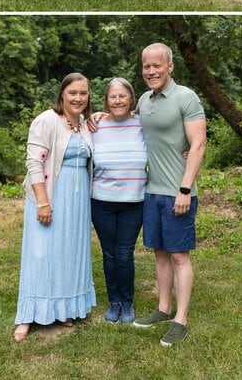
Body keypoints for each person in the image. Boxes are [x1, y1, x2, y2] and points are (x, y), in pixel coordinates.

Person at [132, 43, 207, 347]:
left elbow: (198, 144)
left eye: (156, 66)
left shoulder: (185, 97)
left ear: (170, 67)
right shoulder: (145, 99)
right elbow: (132, 122)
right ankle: (163, 309)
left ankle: (181, 320)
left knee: (178, 255)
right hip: (152, 192)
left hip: (179, 192)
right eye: (146, 66)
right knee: (160, 253)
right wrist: (103, 115)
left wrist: (185, 189)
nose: (151, 71)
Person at [14, 72, 96, 342]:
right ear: (62, 93)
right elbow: (34, 163)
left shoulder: (85, 123)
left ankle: (63, 308)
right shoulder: (46, 120)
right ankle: (28, 315)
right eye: (73, 92)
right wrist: (43, 201)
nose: (78, 98)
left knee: (69, 254)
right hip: (50, 197)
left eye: (83, 93)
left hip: (78, 202)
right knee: (41, 253)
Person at [90, 77, 147, 326]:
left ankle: (127, 301)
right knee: (109, 253)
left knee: (124, 253)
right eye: (112, 97)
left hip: (134, 201)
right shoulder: (95, 126)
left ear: (131, 99)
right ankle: (114, 302)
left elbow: (168, 137)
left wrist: (185, 148)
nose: (117, 101)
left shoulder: (142, 124)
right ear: (106, 101)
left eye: (122, 96)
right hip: (101, 201)